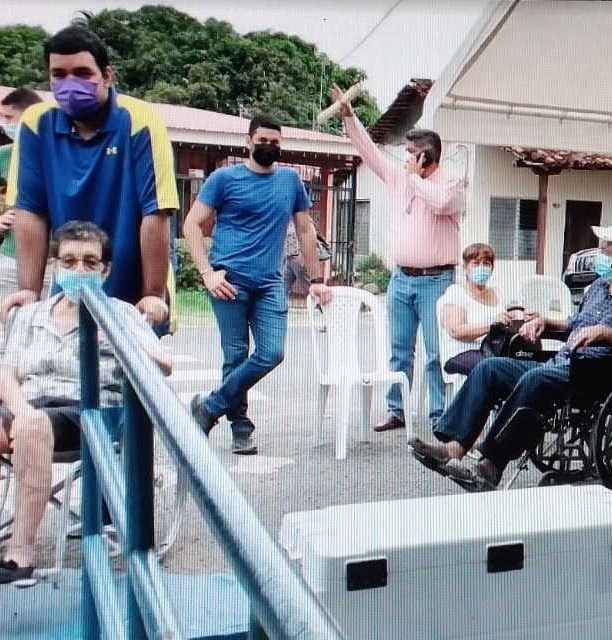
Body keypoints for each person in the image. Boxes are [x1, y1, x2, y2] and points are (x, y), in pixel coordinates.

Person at [0, 221, 173, 586]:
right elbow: (6, 375)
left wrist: (120, 336)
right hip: (31, 404)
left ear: (105, 270)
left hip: (91, 409)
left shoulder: (121, 313)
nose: (78, 270)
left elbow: (164, 364)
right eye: (69, 261)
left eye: (90, 262)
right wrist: (23, 409)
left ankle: (21, 551)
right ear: (56, 267)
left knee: (32, 426)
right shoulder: (31, 315)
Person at [408, 220, 612, 491]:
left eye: (606, 251)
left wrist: (608, 333)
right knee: (491, 369)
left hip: (604, 373)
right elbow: (574, 324)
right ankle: (454, 447)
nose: (599, 256)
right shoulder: (598, 288)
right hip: (567, 364)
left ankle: (491, 465)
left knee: (536, 379)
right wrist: (544, 321)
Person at [3, 25, 178, 330]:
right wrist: (29, 290)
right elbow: (29, 211)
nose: (70, 83)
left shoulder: (140, 121)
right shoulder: (35, 124)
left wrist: (152, 294)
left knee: (130, 372)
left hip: (133, 294)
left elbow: (156, 213)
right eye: (59, 75)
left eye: (83, 73)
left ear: (107, 76)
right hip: (72, 280)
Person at [183, 114, 332, 455]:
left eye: (275, 142)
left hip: (269, 282)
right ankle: (241, 428)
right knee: (235, 355)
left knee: (272, 352)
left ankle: (209, 407)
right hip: (229, 281)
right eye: (262, 141)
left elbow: (306, 230)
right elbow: (192, 225)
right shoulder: (224, 179)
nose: (268, 147)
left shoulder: (290, 182)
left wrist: (315, 279)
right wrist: (207, 273)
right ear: (248, 142)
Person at [329, 83, 464, 433]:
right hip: (402, 278)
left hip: (437, 279)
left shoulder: (451, 183)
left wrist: (414, 179)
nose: (404, 158)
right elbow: (370, 152)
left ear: (425, 158)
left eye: (410, 153)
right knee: (399, 349)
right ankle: (396, 409)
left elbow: (440, 203)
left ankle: (438, 415)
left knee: (435, 352)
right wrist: (349, 116)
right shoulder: (401, 178)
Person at [0, 88, 43, 312]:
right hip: (12, 258)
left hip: (55, 262)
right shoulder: (5, 153)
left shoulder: (63, 150)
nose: (5, 124)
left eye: (9, 118)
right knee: (13, 330)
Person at [438, 243, 509, 376]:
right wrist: (492, 325)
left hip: (493, 352)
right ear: (465, 268)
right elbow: (455, 330)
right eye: (475, 263)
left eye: (486, 264)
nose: (481, 268)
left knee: (518, 367)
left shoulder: (497, 293)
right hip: (461, 351)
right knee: (493, 369)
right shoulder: (456, 292)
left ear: (492, 268)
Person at [283, 218, 311, 300]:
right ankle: (280, 309)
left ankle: (320, 306)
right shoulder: (286, 219)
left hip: (298, 258)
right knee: (282, 288)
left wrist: (303, 254)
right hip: (288, 258)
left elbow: (309, 237)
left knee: (308, 287)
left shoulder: (302, 219)